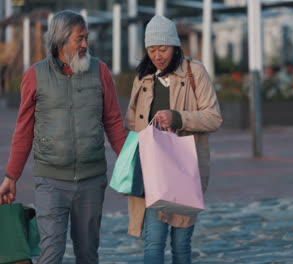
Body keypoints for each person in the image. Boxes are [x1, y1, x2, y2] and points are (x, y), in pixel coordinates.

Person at [0, 10, 127, 264]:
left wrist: (130, 169)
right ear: (60, 40)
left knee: (88, 254)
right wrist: (11, 176)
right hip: (50, 182)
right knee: (51, 253)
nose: (84, 44)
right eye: (78, 39)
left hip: (92, 181)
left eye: (86, 38)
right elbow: (24, 128)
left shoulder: (100, 71)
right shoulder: (34, 75)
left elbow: (113, 122)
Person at [125, 15, 222, 263]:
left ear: (175, 46)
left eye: (163, 49)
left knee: (181, 245)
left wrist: (178, 118)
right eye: (152, 50)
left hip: (184, 172)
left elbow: (214, 118)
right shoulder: (143, 78)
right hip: (152, 172)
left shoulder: (194, 71)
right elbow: (131, 121)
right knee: (153, 242)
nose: (157, 55)